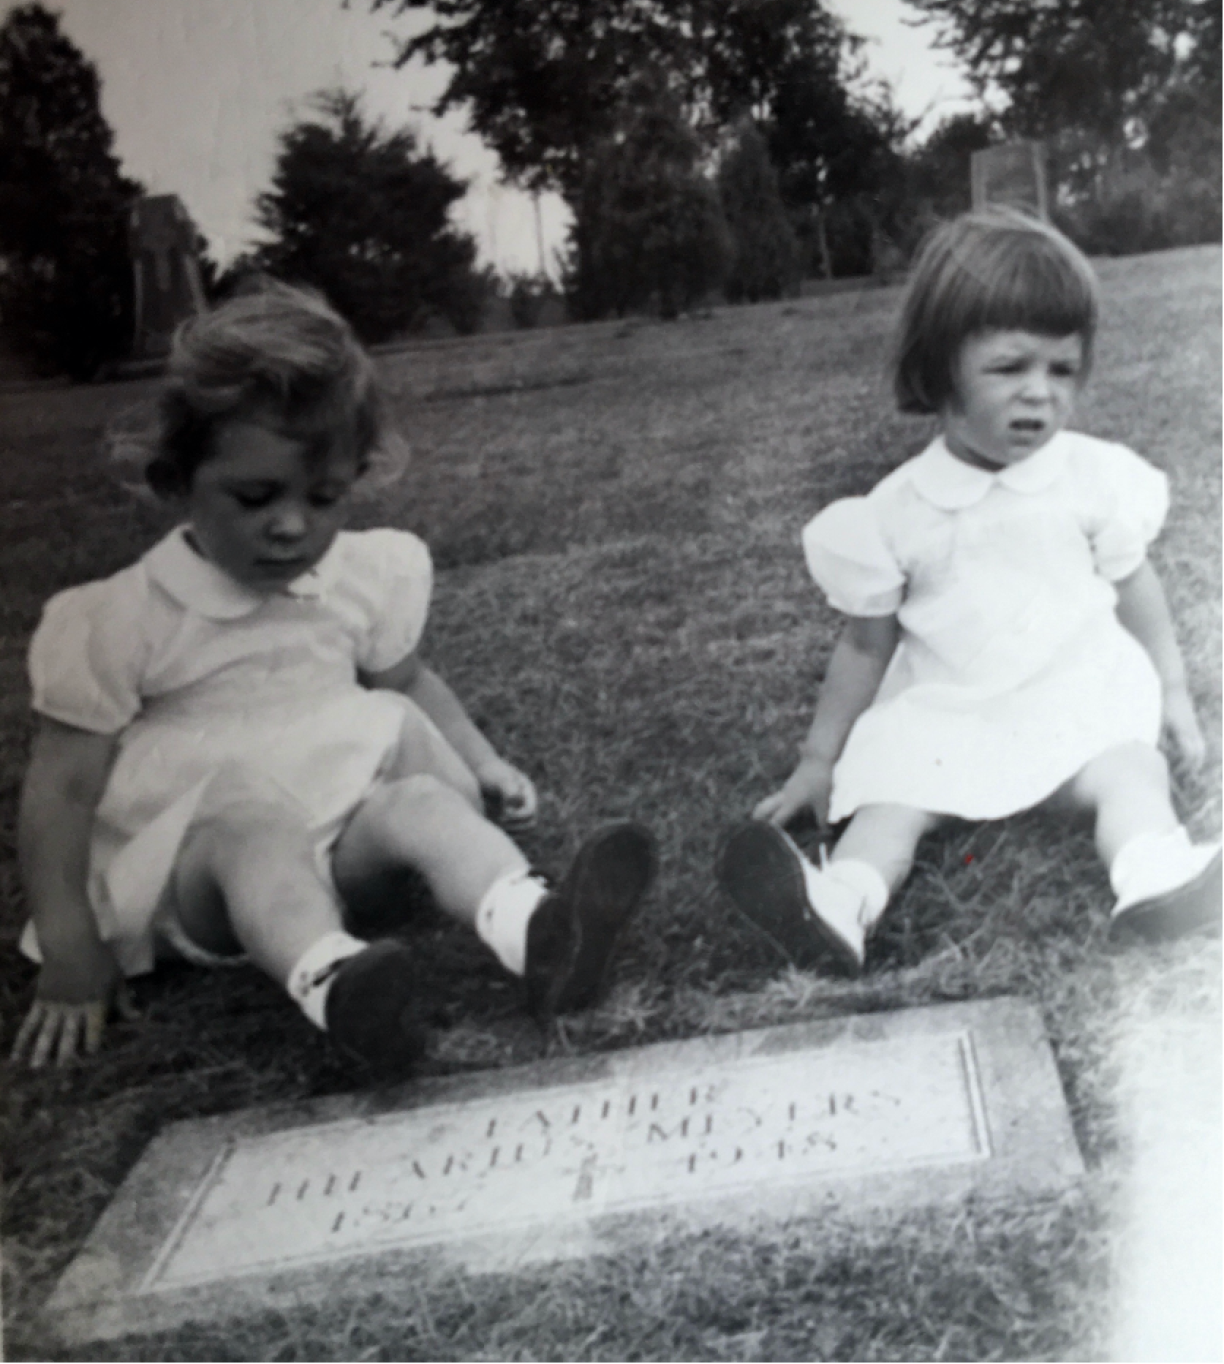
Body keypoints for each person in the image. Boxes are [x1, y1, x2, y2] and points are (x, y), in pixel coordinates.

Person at [12, 283, 655, 1071]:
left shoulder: (355, 576)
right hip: (210, 869)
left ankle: (535, 926)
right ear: (175, 483)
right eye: (256, 497)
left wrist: (481, 761)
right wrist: (71, 945)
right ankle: (336, 982)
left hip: (343, 836)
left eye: (324, 498)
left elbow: (409, 682)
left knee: (418, 799)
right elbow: (62, 791)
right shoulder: (124, 618)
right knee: (253, 824)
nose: (292, 525)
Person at [718, 208, 1220, 974]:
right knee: (891, 801)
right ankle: (841, 903)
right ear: (940, 366)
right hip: (951, 712)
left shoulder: (1090, 477)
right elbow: (864, 642)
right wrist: (819, 759)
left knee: (1131, 769)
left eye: (1062, 370)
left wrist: (1174, 690)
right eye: (1010, 367)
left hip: (1071, 700)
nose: (1039, 396)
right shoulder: (896, 511)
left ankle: (1151, 871)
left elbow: (1134, 585)